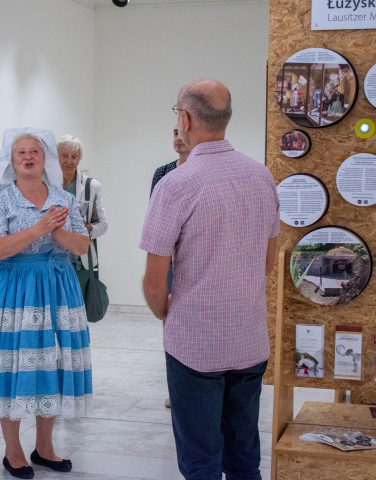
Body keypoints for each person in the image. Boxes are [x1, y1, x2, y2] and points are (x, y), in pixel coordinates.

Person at [140, 79, 279, 480]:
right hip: (250, 339)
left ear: (184, 119)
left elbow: (154, 281)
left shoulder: (175, 185)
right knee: (243, 455)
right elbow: (268, 261)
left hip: (195, 345)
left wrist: (170, 312)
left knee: (200, 461)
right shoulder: (261, 176)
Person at [0, 128, 93, 479]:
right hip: (13, 292)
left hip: (57, 289)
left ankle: (45, 448)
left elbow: (80, 246)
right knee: (12, 366)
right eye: (21, 153)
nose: (29, 156)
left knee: (52, 366)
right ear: (11, 161)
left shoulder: (64, 197)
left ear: (45, 158)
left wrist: (54, 229)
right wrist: (40, 227)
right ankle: (13, 451)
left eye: (35, 151)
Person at [150, 126, 192, 409]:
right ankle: (176, 388)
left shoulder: (206, 171)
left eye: (183, 132)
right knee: (172, 323)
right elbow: (155, 220)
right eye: (174, 132)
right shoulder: (162, 173)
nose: (178, 137)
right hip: (170, 259)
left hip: (199, 259)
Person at [56, 134, 108, 301]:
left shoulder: (91, 186)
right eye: (64, 156)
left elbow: (103, 224)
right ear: (56, 157)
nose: (69, 161)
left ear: (79, 159)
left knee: (78, 314)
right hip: (52, 260)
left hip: (81, 264)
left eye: (74, 157)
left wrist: (89, 229)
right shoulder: (45, 185)